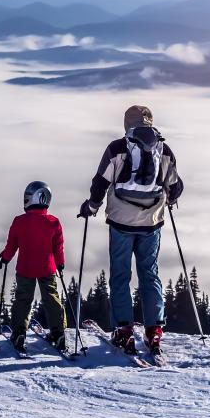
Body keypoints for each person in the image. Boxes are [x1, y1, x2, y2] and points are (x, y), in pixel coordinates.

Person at [79, 105, 183, 355]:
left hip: (121, 222)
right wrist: (168, 199)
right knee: (149, 274)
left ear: (127, 123)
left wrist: (91, 206)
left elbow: (100, 182)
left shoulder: (117, 148)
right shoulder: (164, 149)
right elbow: (175, 186)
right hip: (152, 222)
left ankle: (123, 330)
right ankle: (154, 330)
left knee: (120, 275)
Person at [0, 181, 67, 353]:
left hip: (25, 267)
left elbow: (12, 245)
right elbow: (58, 247)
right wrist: (60, 263)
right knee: (51, 298)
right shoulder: (53, 222)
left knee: (23, 299)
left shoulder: (19, 221)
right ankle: (58, 333)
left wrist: (5, 258)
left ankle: (19, 332)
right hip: (47, 267)